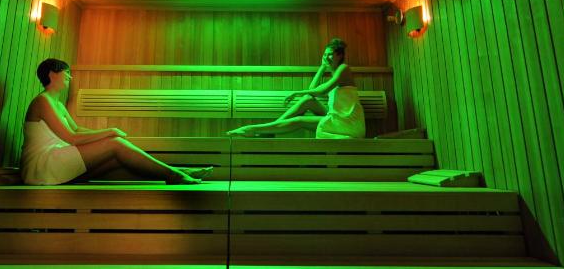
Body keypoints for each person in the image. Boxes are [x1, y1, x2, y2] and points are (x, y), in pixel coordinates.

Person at [21, 58, 212, 185]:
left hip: (56, 161)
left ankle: (175, 171)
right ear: (52, 74)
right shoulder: (42, 101)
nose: (70, 77)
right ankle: (174, 174)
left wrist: (106, 135)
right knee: (115, 144)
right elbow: (72, 138)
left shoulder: (57, 104)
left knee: (115, 159)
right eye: (67, 72)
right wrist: (109, 132)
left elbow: (77, 129)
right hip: (42, 166)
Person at [226, 38, 366, 139]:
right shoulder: (334, 72)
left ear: (340, 55)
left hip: (348, 123)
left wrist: (297, 92)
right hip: (337, 117)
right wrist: (322, 67)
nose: (326, 57)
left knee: (299, 120)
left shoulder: (344, 69)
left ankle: (253, 129)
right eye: (324, 54)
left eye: (330, 54)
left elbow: (322, 90)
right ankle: (270, 130)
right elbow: (312, 90)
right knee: (307, 100)